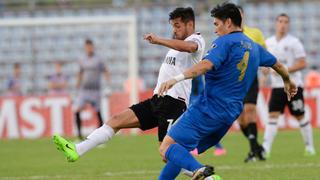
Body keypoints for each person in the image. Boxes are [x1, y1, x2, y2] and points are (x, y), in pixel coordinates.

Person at [157, 3, 297, 179]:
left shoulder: (224, 42)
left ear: (228, 22)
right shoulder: (254, 46)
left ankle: (207, 176)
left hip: (208, 108)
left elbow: (206, 65)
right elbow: (277, 64)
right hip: (230, 113)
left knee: (166, 147)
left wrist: (176, 79)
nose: (215, 29)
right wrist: (288, 81)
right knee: (181, 150)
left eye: (217, 24)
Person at [52, 7, 205, 166]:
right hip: (157, 100)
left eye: (178, 26)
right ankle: (77, 149)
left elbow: (189, 47)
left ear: (190, 24)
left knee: (166, 154)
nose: (174, 30)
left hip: (174, 103)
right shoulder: (176, 45)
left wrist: (159, 40)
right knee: (116, 120)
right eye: (173, 26)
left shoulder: (197, 40)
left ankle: (205, 175)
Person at [262, 13, 316, 157]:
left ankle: (310, 147)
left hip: (293, 85)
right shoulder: (269, 42)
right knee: (272, 115)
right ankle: (265, 149)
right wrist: (265, 69)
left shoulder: (294, 42)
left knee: (300, 115)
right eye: (280, 21)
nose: (283, 24)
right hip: (276, 87)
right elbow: (265, 64)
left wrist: (284, 70)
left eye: (286, 22)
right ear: (276, 23)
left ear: (289, 24)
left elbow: (303, 63)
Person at [237, 5, 267, 162]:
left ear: (243, 15)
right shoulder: (227, 36)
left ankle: (254, 150)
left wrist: (265, 71)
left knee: (250, 111)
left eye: (239, 13)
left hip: (250, 78)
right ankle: (256, 148)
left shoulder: (255, 33)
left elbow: (265, 54)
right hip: (234, 81)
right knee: (240, 118)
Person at [73, 39, 110, 139]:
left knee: (98, 112)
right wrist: (76, 87)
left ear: (92, 47)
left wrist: (108, 85)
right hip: (84, 90)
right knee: (77, 110)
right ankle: (79, 136)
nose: (89, 48)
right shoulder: (82, 59)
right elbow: (80, 73)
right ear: (85, 47)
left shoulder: (98, 59)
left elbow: (106, 71)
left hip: (95, 90)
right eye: (87, 47)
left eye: (90, 46)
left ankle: (101, 138)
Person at [189, 75, 227, 157]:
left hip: (199, 101)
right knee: (198, 127)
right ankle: (196, 148)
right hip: (195, 99)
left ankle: (218, 148)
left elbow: (199, 89)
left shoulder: (196, 73)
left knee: (201, 127)